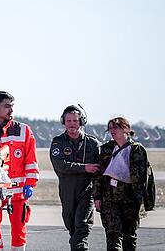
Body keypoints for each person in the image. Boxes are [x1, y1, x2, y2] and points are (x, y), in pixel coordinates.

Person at [0, 91, 38, 251]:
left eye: (12, 106)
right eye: (6, 106)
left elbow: (31, 161)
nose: (11, 110)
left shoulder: (24, 131)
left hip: (19, 192)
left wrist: (30, 184)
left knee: (19, 230)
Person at [49, 105, 102, 250]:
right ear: (64, 122)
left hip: (87, 191)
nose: (72, 124)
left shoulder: (92, 143)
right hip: (67, 191)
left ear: (81, 122)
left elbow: (99, 170)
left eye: (75, 121)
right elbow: (60, 165)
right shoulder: (58, 142)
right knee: (71, 226)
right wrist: (84, 168)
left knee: (82, 227)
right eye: (69, 121)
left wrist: (99, 195)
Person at [94, 117, 149, 251]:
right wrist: (97, 196)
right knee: (112, 235)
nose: (113, 131)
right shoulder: (106, 149)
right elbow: (99, 174)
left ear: (127, 129)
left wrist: (140, 202)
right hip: (109, 199)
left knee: (129, 236)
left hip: (130, 199)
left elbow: (139, 179)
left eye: (116, 127)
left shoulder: (137, 150)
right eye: (110, 128)